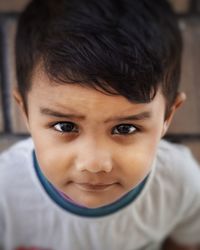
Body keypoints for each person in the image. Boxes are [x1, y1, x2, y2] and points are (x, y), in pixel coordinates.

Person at [0, 0, 200, 249]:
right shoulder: (5, 189)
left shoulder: (179, 182)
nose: (94, 164)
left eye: (125, 128)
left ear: (167, 117)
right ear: (25, 113)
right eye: (65, 126)